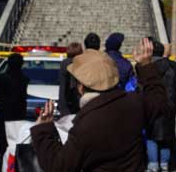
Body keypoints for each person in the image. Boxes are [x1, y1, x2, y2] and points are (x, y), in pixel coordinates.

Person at [30, 38, 170, 171]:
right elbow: (158, 101)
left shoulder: (85, 125)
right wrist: (145, 65)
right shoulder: (134, 104)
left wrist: (44, 130)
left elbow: (59, 166)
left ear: (81, 87)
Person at [145, 40, 176, 172]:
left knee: (151, 136)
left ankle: (153, 164)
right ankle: (164, 165)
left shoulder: (147, 68)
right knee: (166, 137)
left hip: (151, 107)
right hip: (169, 106)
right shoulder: (173, 67)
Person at [0, 53, 29, 158]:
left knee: (2, 137)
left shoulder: (1, 77)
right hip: (19, 111)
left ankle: (3, 157)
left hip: (4, 110)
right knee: (16, 136)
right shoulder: (24, 79)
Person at [58, 42, 83, 116]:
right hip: (79, 101)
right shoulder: (81, 63)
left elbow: (62, 85)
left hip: (66, 102)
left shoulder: (64, 63)